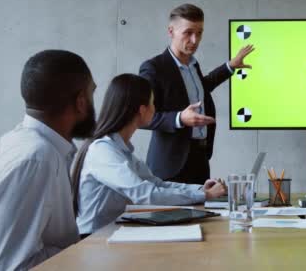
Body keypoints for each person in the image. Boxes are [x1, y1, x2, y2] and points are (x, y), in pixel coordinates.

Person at [71, 74, 227, 235]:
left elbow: (157, 184)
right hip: (92, 240)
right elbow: (147, 195)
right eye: (153, 103)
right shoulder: (103, 150)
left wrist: (201, 189)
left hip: (113, 234)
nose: (155, 108)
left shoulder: (122, 150)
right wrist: (205, 195)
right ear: (142, 110)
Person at [0, 50, 96, 270]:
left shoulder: (22, 142)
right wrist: (91, 255)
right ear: (80, 102)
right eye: (91, 94)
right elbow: (12, 265)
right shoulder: (38, 158)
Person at [139, 3, 254, 184]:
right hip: (170, 165)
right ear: (171, 31)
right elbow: (141, 117)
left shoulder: (193, 65)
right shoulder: (154, 68)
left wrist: (229, 67)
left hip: (200, 158)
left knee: (203, 212)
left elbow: (200, 89)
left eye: (199, 33)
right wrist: (179, 118)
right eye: (188, 33)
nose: (195, 40)